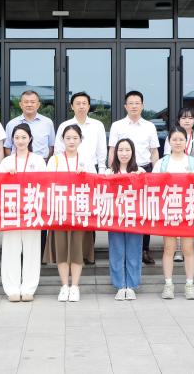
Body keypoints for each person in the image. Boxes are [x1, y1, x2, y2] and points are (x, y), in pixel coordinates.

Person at [55, 91, 108, 265]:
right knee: (69, 213)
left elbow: (102, 153)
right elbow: (58, 151)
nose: (81, 106)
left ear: (89, 106)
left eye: (84, 103)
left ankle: (87, 253)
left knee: (87, 213)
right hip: (67, 176)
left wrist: (100, 175)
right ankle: (69, 252)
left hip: (89, 175)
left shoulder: (97, 125)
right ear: (72, 106)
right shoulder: (65, 126)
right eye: (77, 103)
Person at [108, 91, 160, 264]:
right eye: (131, 103)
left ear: (142, 106)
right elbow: (112, 150)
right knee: (122, 209)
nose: (134, 106)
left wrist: (155, 174)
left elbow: (154, 152)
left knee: (143, 211)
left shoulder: (149, 126)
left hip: (143, 171)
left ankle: (144, 249)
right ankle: (121, 249)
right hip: (121, 172)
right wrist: (112, 171)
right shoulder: (117, 126)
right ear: (125, 106)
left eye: (137, 103)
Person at [0, 123, 47, 301]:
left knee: (32, 250)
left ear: (30, 139)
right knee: (11, 249)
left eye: (24, 137)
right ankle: (12, 288)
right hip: (11, 209)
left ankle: (28, 288)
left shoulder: (38, 160)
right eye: (17, 137)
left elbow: (45, 183)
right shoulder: (6, 162)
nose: (20, 141)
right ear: (12, 140)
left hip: (32, 209)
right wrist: (6, 176)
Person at [155, 127, 194, 300]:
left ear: (186, 141)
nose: (178, 142)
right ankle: (168, 284)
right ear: (169, 141)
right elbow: (153, 186)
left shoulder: (193, 162)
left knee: (188, 248)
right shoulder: (161, 163)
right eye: (174, 139)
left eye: (181, 139)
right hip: (169, 210)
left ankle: (189, 284)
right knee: (169, 248)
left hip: (188, 210)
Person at [47, 124, 90, 302]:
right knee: (62, 249)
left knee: (77, 249)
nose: (71, 141)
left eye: (75, 138)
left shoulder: (86, 160)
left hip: (79, 211)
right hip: (59, 210)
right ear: (62, 140)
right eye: (68, 138)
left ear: (80, 140)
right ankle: (64, 285)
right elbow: (47, 184)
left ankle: (75, 286)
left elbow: (94, 184)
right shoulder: (55, 160)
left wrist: (85, 175)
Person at [105, 138, 143, 300]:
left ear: (132, 152)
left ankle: (131, 286)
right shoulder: (109, 173)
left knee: (134, 251)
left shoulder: (140, 171)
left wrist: (140, 178)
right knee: (117, 251)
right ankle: (120, 285)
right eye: (120, 150)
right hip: (115, 218)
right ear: (115, 153)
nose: (124, 153)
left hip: (134, 218)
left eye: (127, 150)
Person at [165, 107, 194, 262]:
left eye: (190, 118)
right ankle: (177, 250)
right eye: (183, 118)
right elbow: (167, 157)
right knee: (175, 216)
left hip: (193, 182)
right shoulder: (172, 136)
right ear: (179, 120)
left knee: (192, 216)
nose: (187, 121)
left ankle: (193, 249)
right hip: (174, 186)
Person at [4, 89, 55, 160]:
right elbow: (7, 147)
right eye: (26, 102)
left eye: (33, 102)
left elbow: (51, 146)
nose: (29, 105)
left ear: (38, 105)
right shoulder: (11, 124)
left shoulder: (47, 123)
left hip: (41, 163)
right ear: (21, 105)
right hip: (18, 163)